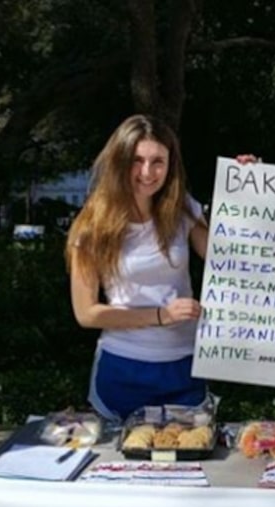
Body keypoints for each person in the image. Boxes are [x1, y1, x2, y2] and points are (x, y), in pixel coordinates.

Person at [66, 115, 209, 422]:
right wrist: (160, 316)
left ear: (171, 163)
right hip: (123, 368)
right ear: (119, 162)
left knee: (188, 463)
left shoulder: (183, 209)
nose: (147, 172)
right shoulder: (93, 226)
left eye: (158, 161)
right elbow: (86, 313)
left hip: (184, 364)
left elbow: (232, 258)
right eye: (137, 160)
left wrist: (246, 187)